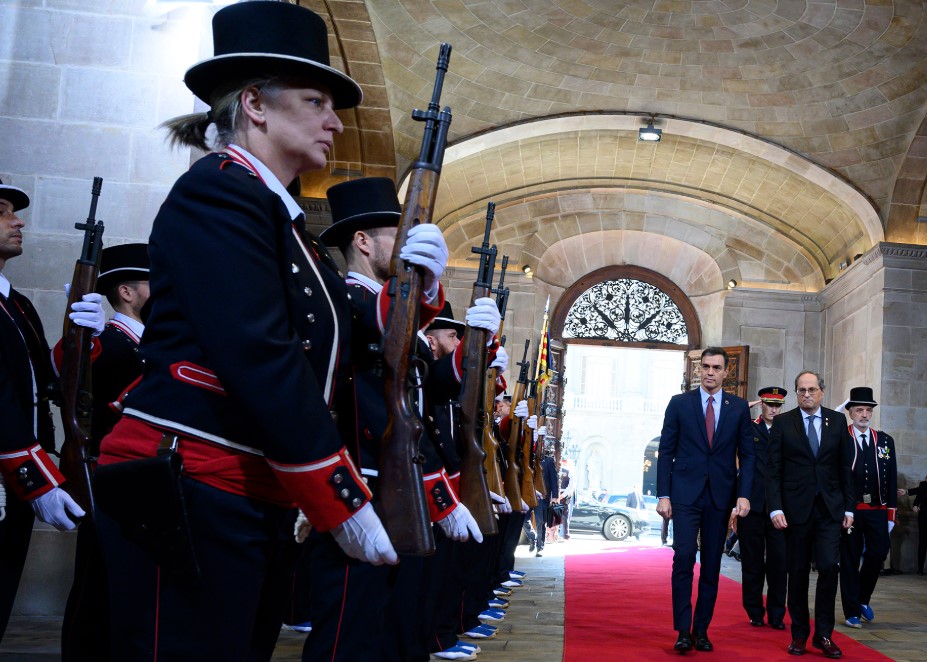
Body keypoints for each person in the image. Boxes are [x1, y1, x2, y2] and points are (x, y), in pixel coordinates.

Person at [91, 4, 448, 657]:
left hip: (246, 486)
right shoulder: (221, 192)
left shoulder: (285, 226)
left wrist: (418, 288)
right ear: (254, 104)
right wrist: (337, 495)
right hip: (192, 479)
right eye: (315, 101)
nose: (334, 121)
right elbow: (259, 353)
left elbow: (350, 347)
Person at [316, 176, 483, 661]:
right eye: (398, 233)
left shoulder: (382, 306)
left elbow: (423, 391)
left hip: (390, 479)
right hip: (356, 483)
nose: (407, 243)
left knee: (384, 625)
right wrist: (423, 287)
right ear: (362, 242)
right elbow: (374, 352)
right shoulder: (345, 298)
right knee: (349, 633)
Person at [0, 178, 103, 642]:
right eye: (3, 211)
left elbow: (51, 386)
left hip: (18, 487)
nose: (17, 221)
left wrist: (93, 335)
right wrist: (34, 479)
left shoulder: (16, 304)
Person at [60, 243, 150, 661]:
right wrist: (84, 337)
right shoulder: (109, 341)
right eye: (152, 283)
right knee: (96, 587)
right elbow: (69, 377)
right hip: (108, 479)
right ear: (127, 293)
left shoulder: (149, 345)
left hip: (142, 482)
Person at [656, 346, 755, 653]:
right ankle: (682, 631)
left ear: (726, 372)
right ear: (699, 370)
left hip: (720, 496)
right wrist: (663, 494)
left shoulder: (738, 408)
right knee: (684, 556)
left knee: (712, 565)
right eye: (706, 367)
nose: (710, 372)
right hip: (684, 494)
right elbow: (666, 451)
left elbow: (748, 455)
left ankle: (702, 629)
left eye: (716, 367)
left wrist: (744, 494)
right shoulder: (679, 404)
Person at [767, 371, 855, 659]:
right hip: (795, 511)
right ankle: (800, 634)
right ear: (796, 393)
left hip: (829, 509)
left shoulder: (838, 421)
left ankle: (825, 635)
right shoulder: (782, 422)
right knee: (799, 573)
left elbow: (845, 468)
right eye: (802, 390)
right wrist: (776, 507)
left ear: (822, 392)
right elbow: (773, 471)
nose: (807, 394)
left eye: (812, 389)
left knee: (829, 567)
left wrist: (849, 507)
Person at [839, 387, 897, 629]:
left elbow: (892, 477)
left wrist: (892, 512)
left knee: (878, 553)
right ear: (850, 413)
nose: (864, 414)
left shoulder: (884, 440)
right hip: (850, 512)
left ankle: (862, 598)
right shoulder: (841, 438)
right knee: (850, 560)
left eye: (868, 410)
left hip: (876, 510)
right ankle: (851, 610)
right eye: (859, 410)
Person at [738, 386, 787, 630]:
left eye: (778, 405)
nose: (774, 409)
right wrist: (745, 405)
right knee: (752, 562)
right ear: (762, 404)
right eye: (769, 404)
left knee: (779, 564)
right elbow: (731, 421)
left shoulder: (789, 430)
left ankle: (777, 614)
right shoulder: (750, 428)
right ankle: (755, 611)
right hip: (753, 506)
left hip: (780, 508)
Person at [905, 475, 927, 574]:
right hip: (924, 518)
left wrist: (906, 491)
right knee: (922, 543)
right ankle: (920, 569)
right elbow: (918, 500)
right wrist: (915, 506)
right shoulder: (923, 485)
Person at [559, 459, 574, 540]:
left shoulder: (557, 470)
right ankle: (565, 534)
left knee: (559, 513)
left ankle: (555, 534)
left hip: (561, 494)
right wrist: (563, 495)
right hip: (565, 494)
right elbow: (571, 486)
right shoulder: (570, 472)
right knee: (565, 514)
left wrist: (559, 495)